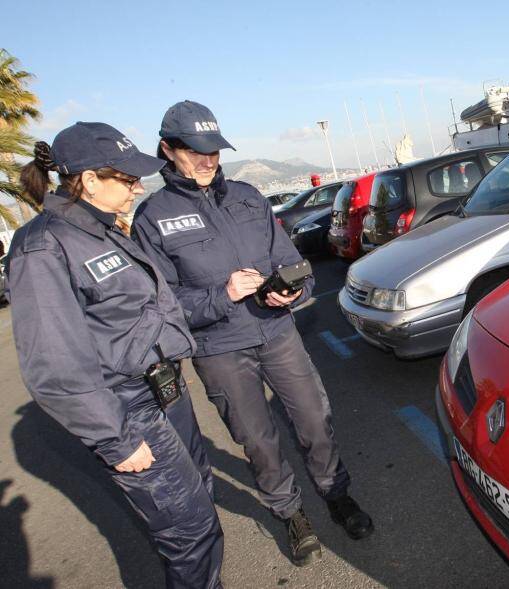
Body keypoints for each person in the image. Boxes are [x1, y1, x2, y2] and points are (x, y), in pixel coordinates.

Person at [132, 101, 373, 566]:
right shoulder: (152, 218)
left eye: (215, 151)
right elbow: (160, 306)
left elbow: (287, 259)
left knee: (314, 420)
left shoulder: (247, 196)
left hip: (277, 332)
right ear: (168, 149)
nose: (208, 161)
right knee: (257, 440)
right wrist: (222, 295)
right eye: (196, 151)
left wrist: (290, 287)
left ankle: (335, 493)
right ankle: (290, 512)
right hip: (219, 349)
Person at [9, 123, 223, 588]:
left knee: (201, 503)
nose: (137, 187)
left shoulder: (102, 231)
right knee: (190, 533)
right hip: (129, 411)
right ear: (88, 179)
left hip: (164, 392)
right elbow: (54, 363)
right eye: (127, 179)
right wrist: (114, 439)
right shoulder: (43, 245)